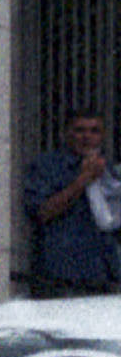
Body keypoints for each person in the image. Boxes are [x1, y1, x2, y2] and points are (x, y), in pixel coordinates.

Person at [22, 108, 118, 297]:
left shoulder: (109, 170)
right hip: (60, 277)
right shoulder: (47, 167)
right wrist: (83, 180)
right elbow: (42, 212)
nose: (87, 137)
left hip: (103, 275)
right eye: (80, 130)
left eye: (94, 131)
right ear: (67, 133)